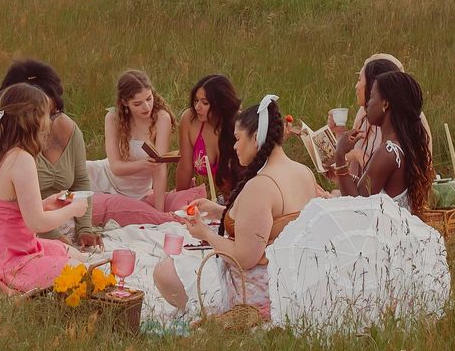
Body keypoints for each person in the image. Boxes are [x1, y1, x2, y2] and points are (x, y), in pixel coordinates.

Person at [154, 95, 320, 320]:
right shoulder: (303, 173)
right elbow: (270, 223)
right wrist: (218, 211)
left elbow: (244, 258)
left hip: (257, 289)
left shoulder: (261, 185)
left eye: (238, 138)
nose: (234, 146)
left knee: (165, 271)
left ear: (255, 138)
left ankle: (210, 311)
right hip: (291, 276)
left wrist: (205, 233)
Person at [0, 83, 88, 292]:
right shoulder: (21, 159)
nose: (49, 121)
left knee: (72, 253)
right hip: (7, 262)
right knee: (80, 271)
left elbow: (3, 210)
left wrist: (46, 204)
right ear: (33, 119)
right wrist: (73, 209)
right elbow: (36, 223)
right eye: (47, 114)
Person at [0, 59, 103, 249]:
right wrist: (59, 239)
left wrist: (84, 228)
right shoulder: (14, 155)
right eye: (44, 115)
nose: (49, 123)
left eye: (53, 113)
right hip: (27, 226)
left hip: (49, 213)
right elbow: (27, 216)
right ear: (24, 118)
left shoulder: (68, 129)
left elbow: (80, 182)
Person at [88, 69, 203, 219]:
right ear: (124, 102)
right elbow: (116, 167)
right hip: (105, 176)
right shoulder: (112, 118)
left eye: (149, 99)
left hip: (137, 191)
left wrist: (160, 212)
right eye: (138, 103)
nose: (146, 107)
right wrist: (144, 164)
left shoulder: (161, 118)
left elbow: (160, 169)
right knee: (73, 180)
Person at [331, 70, 434, 214]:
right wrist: (342, 174)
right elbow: (364, 189)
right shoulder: (401, 146)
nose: (367, 103)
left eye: (372, 96)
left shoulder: (388, 152)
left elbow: (357, 208)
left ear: (385, 104)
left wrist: (340, 155)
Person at [175, 74, 241, 199]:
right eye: (196, 100)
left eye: (205, 103)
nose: (197, 107)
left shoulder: (240, 126)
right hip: (220, 202)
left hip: (243, 201)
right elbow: (185, 167)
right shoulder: (190, 119)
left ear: (221, 104)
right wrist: (179, 202)